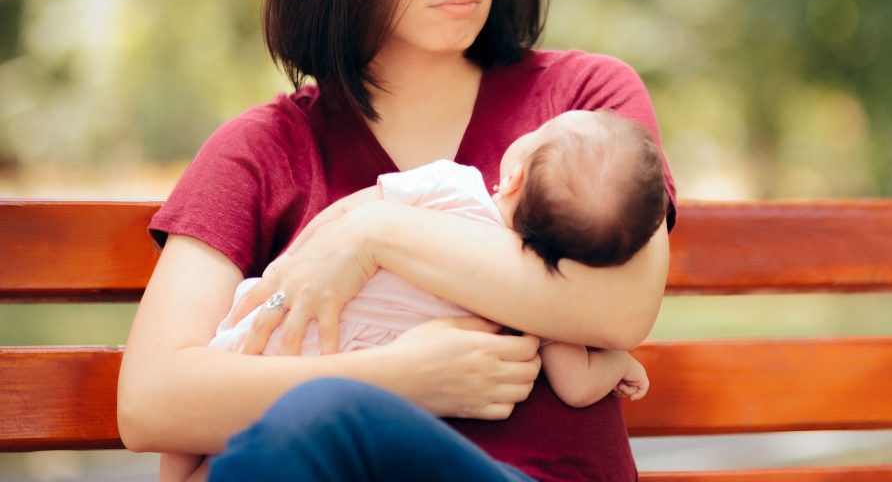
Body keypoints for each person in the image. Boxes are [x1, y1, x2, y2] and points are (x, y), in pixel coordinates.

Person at [116, 0, 675, 482]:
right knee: (305, 428)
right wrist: (400, 378)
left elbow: (623, 305)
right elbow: (151, 401)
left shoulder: (581, 107)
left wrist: (376, 231)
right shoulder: (261, 153)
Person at [161, 110, 664, 481]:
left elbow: (346, 220)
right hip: (337, 366)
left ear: (512, 177)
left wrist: (289, 271)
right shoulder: (537, 298)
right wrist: (617, 362)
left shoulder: (451, 185)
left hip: (290, 331)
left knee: (225, 428)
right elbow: (577, 385)